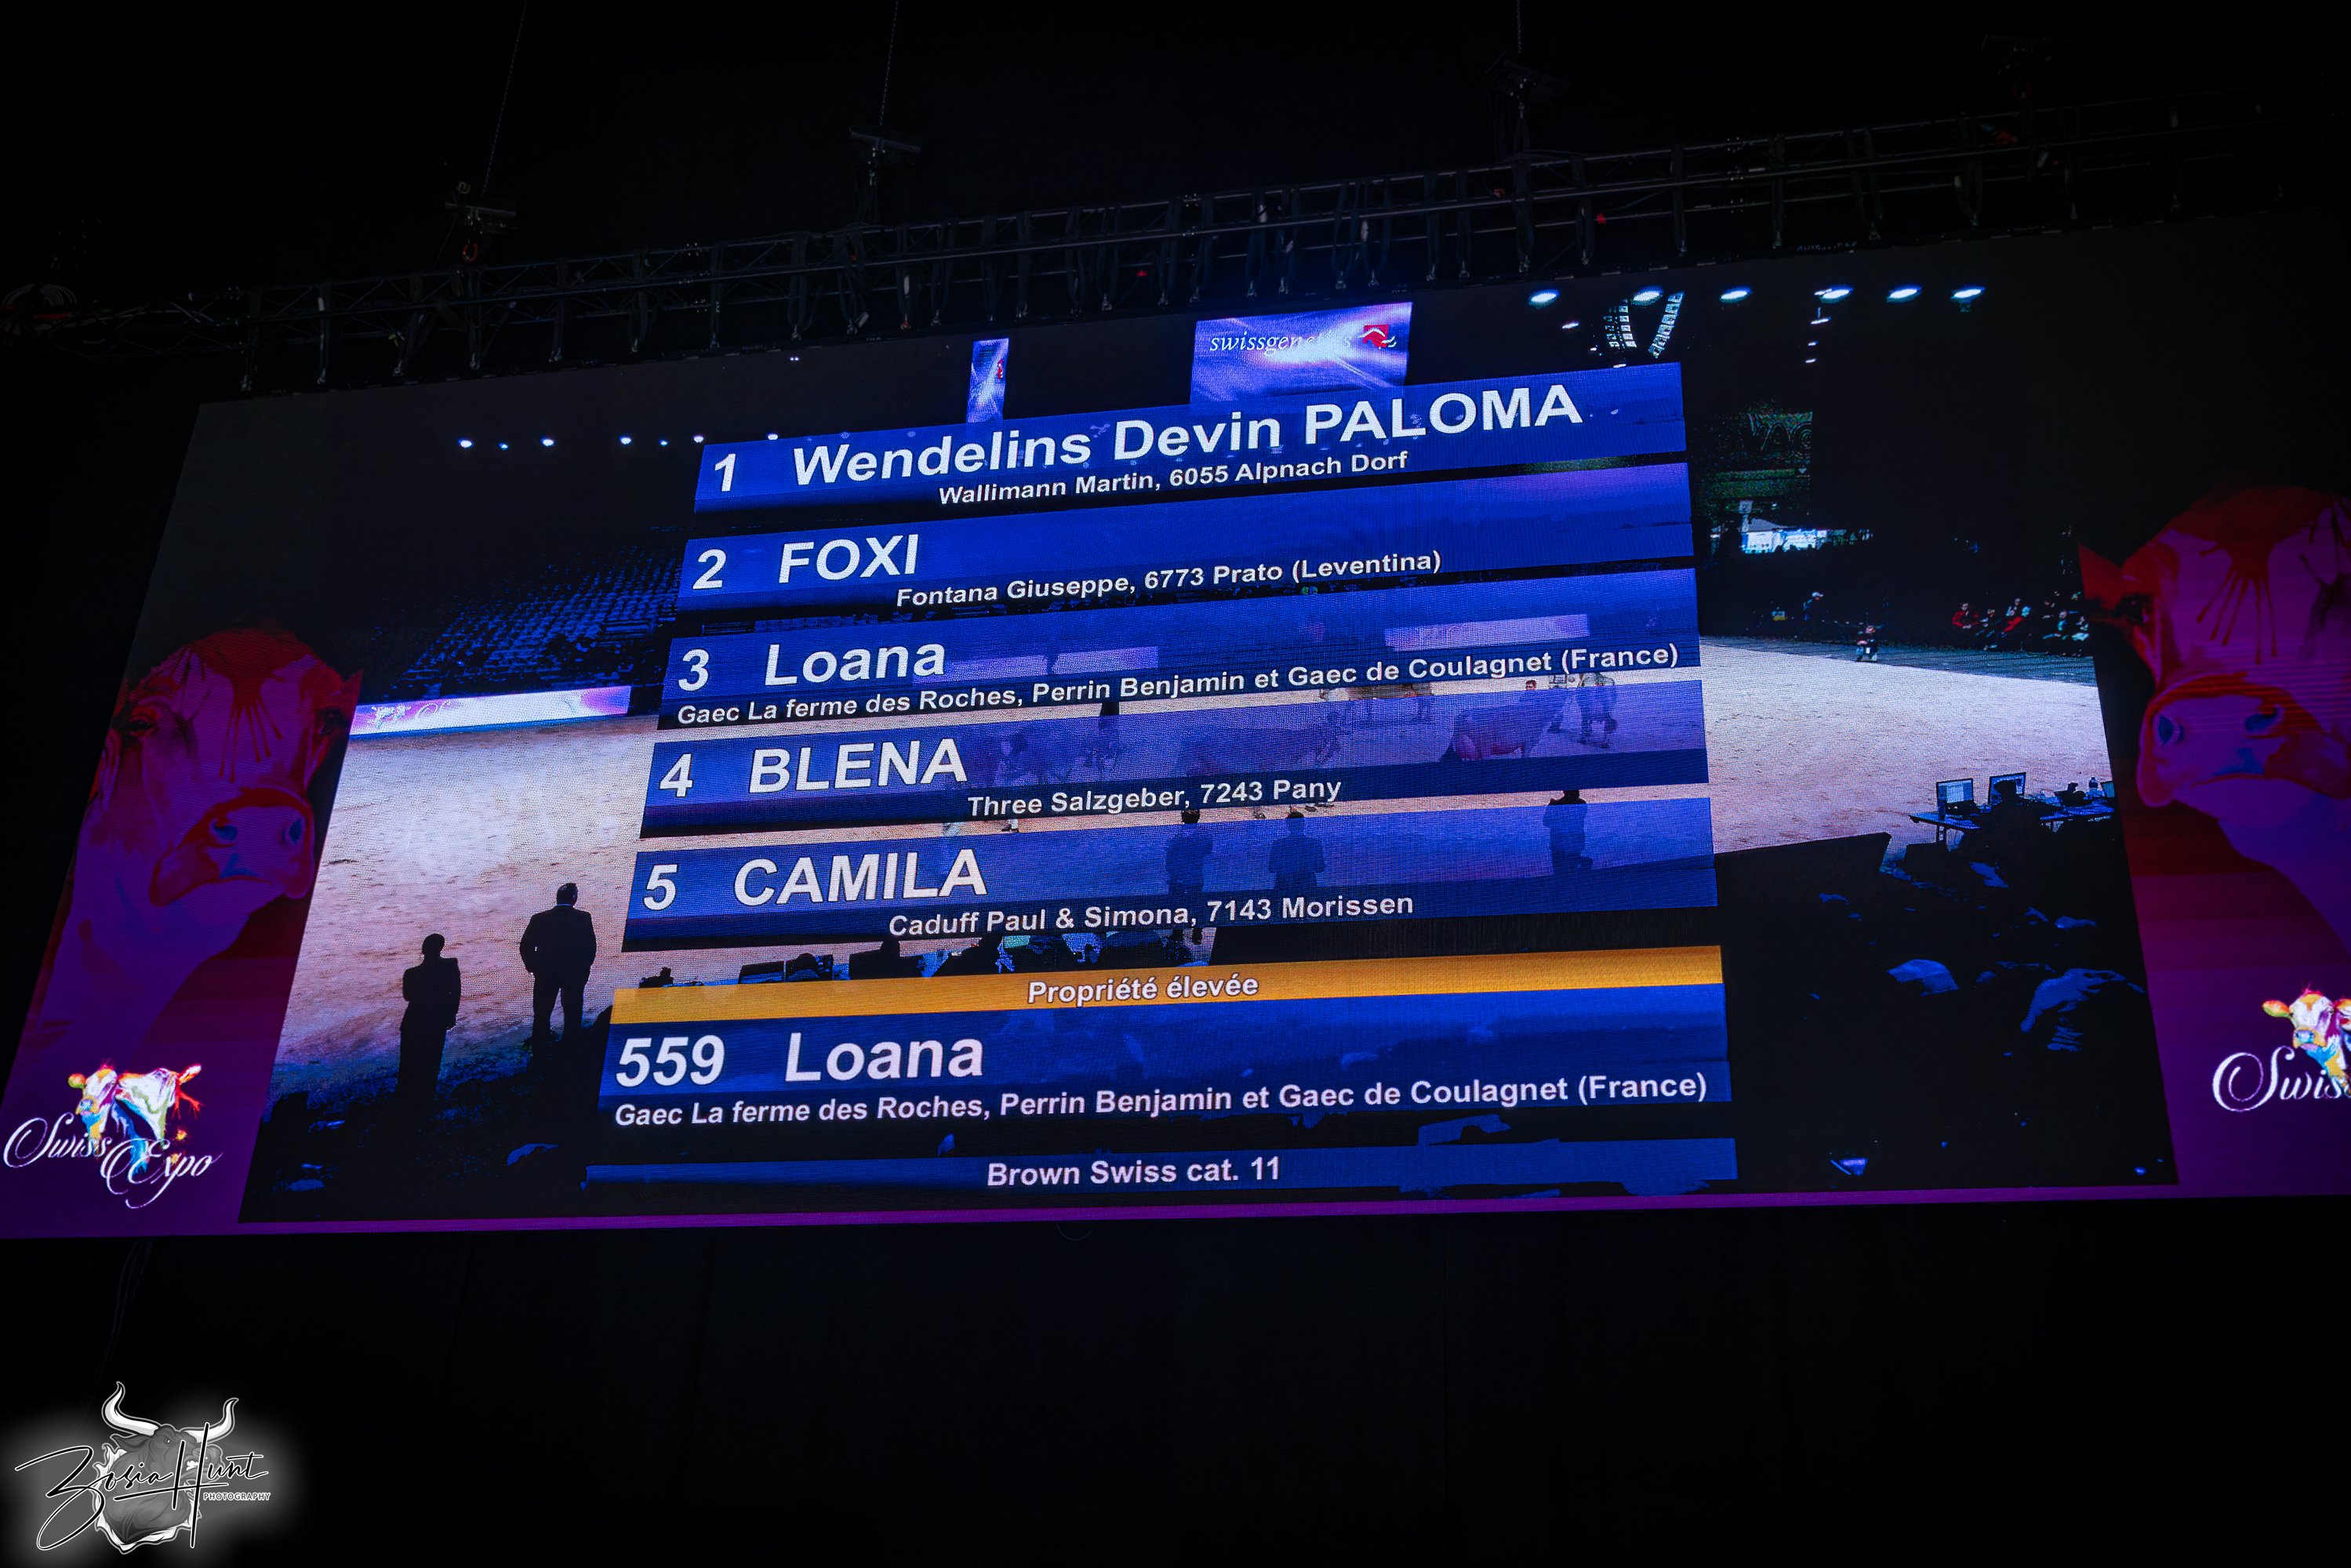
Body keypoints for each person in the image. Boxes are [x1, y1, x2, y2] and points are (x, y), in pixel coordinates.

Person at [519, 882, 598, 1045]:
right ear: (574, 898)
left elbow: (525, 945)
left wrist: (533, 966)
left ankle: (540, 1044)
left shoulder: (539, 919)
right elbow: (590, 947)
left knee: (542, 1012)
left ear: (557, 898)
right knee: (573, 1010)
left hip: (545, 973)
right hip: (574, 973)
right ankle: (571, 1043)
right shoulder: (583, 918)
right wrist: (584, 968)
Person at [396, 935, 461, 1129]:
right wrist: (451, 1014)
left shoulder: (412, 973)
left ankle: (407, 1107)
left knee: (410, 1064)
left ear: (423, 949)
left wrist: (450, 1014)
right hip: (433, 1021)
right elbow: (455, 993)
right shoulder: (450, 967)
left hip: (415, 1021)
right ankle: (424, 1105)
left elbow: (408, 996)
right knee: (430, 1063)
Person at [1165, 808, 1214, 942]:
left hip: (1193, 874)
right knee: (1177, 903)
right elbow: (1170, 853)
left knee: (1195, 902)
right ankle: (1178, 933)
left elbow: (1207, 850)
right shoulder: (1177, 834)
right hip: (1179, 875)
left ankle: (1197, 932)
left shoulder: (1202, 835)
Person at [1268, 811, 1325, 894]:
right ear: (1303, 824)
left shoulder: (1278, 844)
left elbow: (1272, 868)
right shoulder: (1314, 843)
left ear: (1288, 825)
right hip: (1306, 887)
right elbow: (1320, 868)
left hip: (1285, 887)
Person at [1546, 789, 1592, 876]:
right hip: (1564, 844)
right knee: (1565, 870)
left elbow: (1547, 822)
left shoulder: (1557, 804)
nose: (1578, 793)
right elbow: (1547, 822)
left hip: (1565, 843)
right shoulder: (1579, 804)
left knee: (1562, 871)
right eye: (1576, 792)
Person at [1575, 673, 1618, 747]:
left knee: (1584, 715)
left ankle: (1584, 736)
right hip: (1605, 711)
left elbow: (1580, 697)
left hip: (1589, 710)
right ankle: (1605, 739)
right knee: (1608, 717)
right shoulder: (1609, 680)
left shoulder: (1585, 680)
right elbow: (1613, 697)